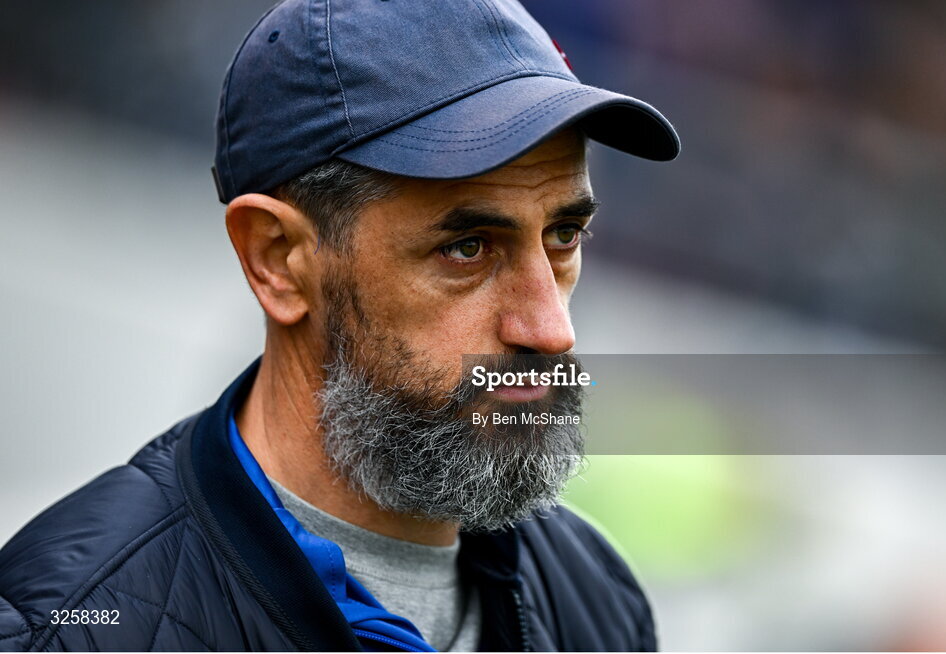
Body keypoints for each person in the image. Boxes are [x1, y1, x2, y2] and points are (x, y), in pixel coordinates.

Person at [0, 0, 678, 651]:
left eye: (564, 235)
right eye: (467, 247)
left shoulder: (597, 597)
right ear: (278, 259)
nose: (552, 329)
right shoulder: (73, 630)